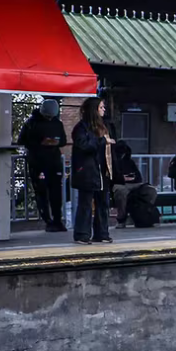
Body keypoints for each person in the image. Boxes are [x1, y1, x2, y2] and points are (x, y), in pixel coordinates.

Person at [17, 98, 68, 232]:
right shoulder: (31, 123)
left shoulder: (58, 123)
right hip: (38, 162)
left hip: (54, 161)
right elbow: (22, 140)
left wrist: (54, 142)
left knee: (56, 192)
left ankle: (57, 220)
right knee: (41, 192)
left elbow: (63, 140)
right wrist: (40, 143)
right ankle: (48, 220)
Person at [71, 97, 113, 245]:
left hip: (102, 170)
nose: (104, 110)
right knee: (86, 203)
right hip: (87, 170)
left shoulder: (103, 126)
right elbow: (84, 146)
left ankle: (101, 233)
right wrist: (101, 141)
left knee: (103, 203)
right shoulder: (81, 128)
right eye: (101, 107)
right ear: (93, 110)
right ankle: (82, 234)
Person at [109, 140, 144, 227]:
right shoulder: (112, 162)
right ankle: (121, 219)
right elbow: (111, 178)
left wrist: (132, 178)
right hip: (119, 184)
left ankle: (143, 215)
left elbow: (138, 177)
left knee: (149, 190)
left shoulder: (129, 162)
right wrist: (122, 178)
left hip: (133, 183)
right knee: (121, 191)